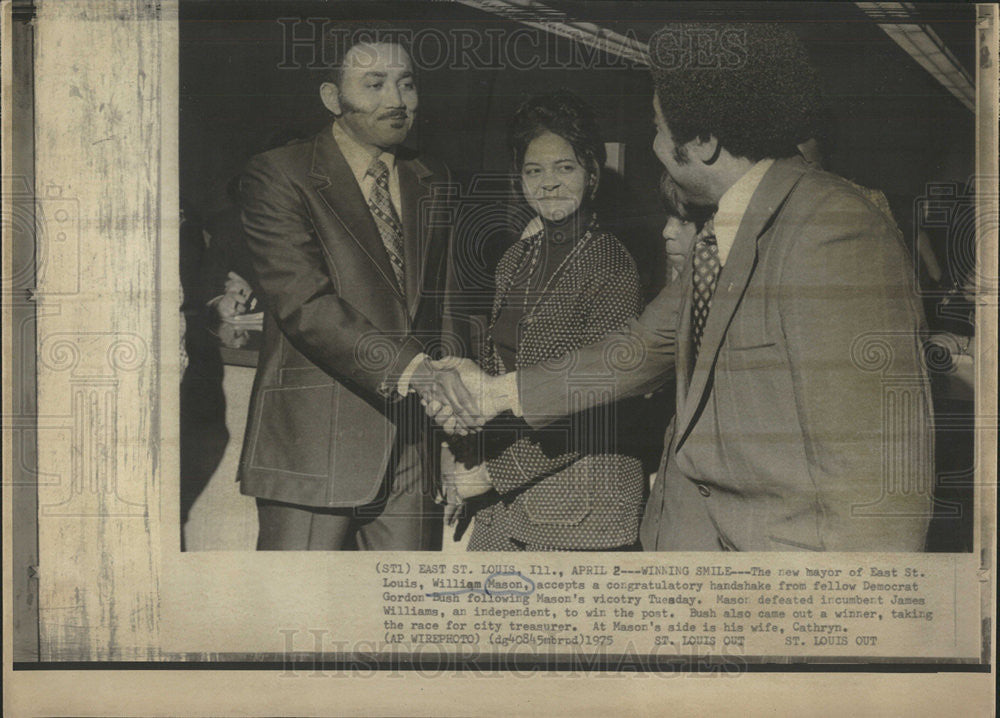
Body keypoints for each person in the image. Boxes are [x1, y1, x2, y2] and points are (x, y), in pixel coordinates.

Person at [431, 23, 935, 552]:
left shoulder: (833, 226)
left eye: (656, 127)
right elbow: (638, 349)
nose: (653, 144)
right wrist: (495, 393)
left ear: (704, 142)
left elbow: (879, 474)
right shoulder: (723, 232)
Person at [237, 25, 466, 550]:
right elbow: (304, 304)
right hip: (314, 446)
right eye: (375, 84)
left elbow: (447, 310)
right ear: (331, 97)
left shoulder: (432, 177)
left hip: (413, 450)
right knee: (297, 619)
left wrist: (455, 431)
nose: (396, 101)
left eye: (407, 84)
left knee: (399, 621)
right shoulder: (279, 174)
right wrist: (414, 371)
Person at [441, 91, 646, 551]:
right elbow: (496, 381)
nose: (548, 183)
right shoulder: (515, 259)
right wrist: (464, 453)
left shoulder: (611, 264)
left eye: (564, 167)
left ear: (592, 173)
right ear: (520, 180)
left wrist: (492, 473)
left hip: (583, 504)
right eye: (534, 170)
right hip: (508, 501)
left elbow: (600, 402)